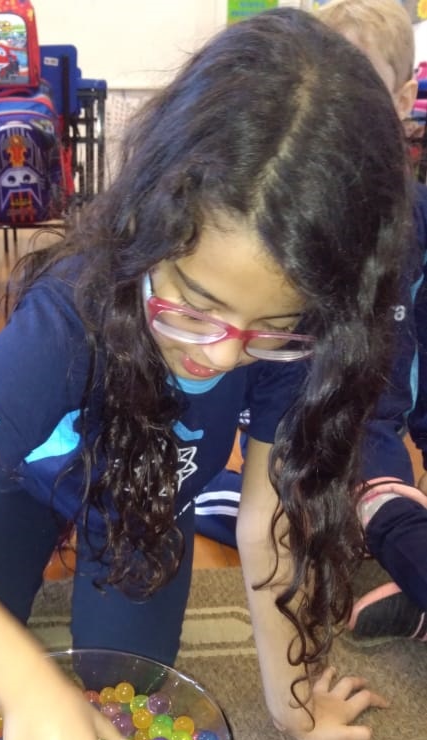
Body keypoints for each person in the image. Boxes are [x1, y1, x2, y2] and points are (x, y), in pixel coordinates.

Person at [0, 9, 414, 740]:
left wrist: (291, 707)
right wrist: (26, 686)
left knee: (125, 686)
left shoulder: (299, 332)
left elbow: (266, 520)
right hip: (26, 478)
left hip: (146, 499)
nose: (222, 355)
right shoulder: (72, 309)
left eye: (269, 328)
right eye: (195, 306)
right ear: (148, 224)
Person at [196, 0, 427, 643]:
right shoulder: (282, 209)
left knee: (379, 511)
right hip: (284, 438)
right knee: (281, 516)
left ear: (402, 99)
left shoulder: (417, 223)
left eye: (362, 88)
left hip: (370, 446)